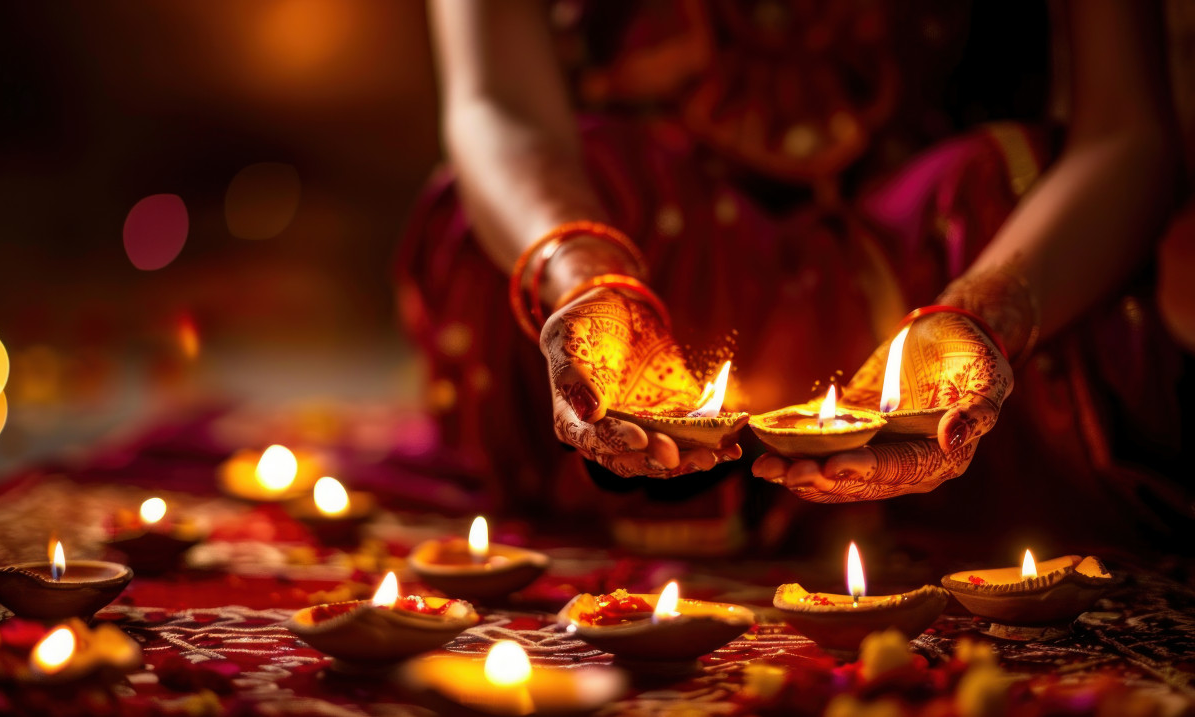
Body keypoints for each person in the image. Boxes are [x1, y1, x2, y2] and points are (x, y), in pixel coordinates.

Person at [397, 0, 1185, 556]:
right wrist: (586, 276)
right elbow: (495, 105)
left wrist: (990, 315)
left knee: (1026, 194)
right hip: (660, 243)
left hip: (930, 254)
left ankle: (933, 409)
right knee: (482, 235)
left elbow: (1128, 136)